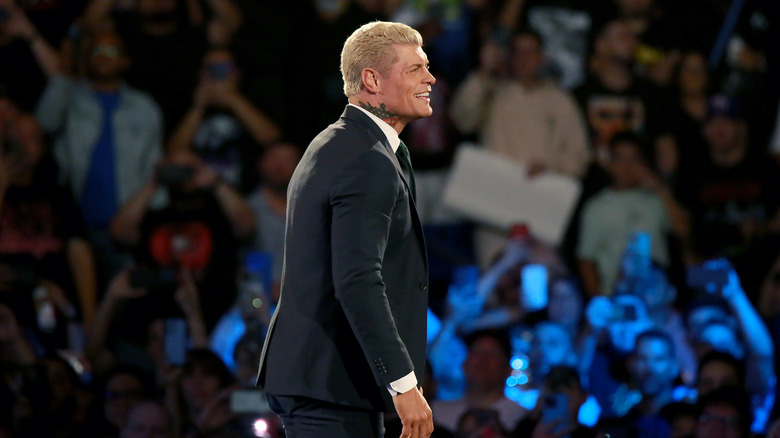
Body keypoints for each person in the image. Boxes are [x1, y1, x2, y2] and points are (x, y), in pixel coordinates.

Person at [256, 21, 435, 438]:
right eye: (414, 69)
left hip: (326, 381)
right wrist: (403, 384)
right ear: (371, 79)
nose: (430, 77)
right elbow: (357, 279)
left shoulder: (343, 144)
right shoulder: (365, 159)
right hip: (328, 383)